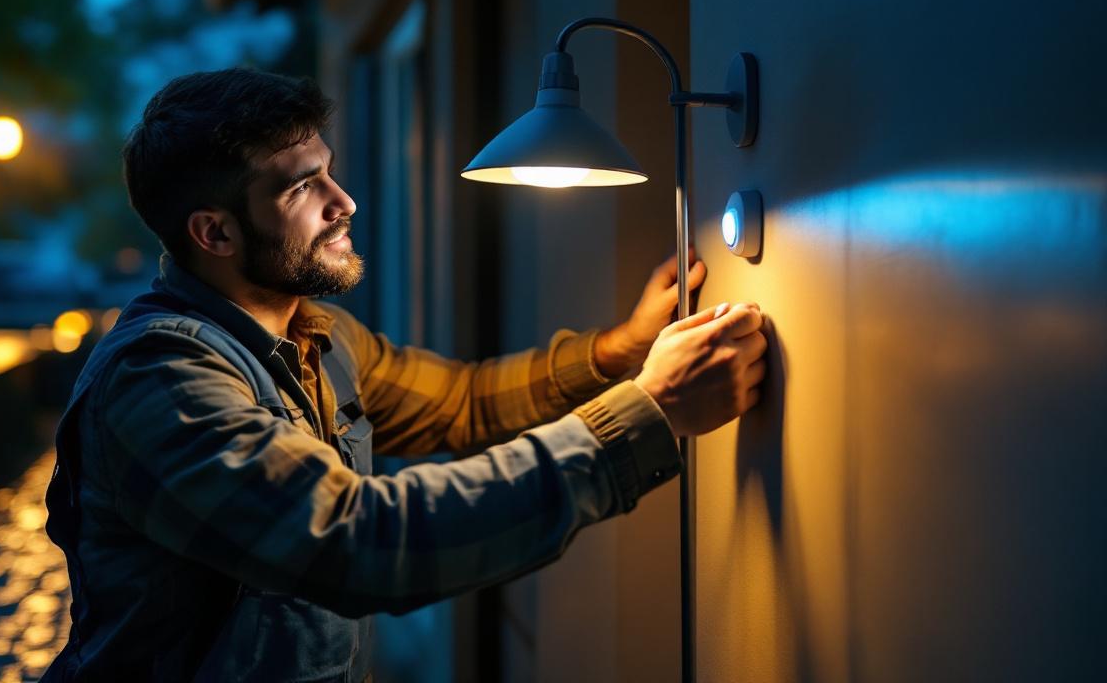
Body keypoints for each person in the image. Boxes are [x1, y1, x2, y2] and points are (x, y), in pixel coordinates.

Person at [42, 68, 767, 682]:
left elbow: (461, 402)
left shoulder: (316, 334)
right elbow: (356, 543)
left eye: (328, 171)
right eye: (303, 188)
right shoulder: (161, 379)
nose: (344, 203)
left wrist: (619, 351)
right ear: (216, 232)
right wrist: (647, 413)